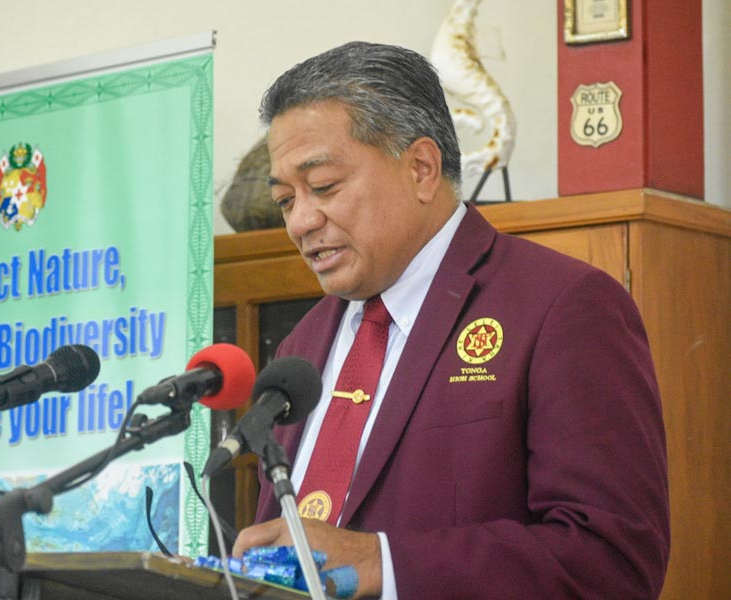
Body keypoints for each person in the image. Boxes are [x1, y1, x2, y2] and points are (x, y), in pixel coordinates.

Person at [231, 42, 670, 599]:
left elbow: (613, 562)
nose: (301, 221)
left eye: (323, 187)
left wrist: (383, 564)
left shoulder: (561, 307)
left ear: (421, 168)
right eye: (284, 200)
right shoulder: (301, 346)